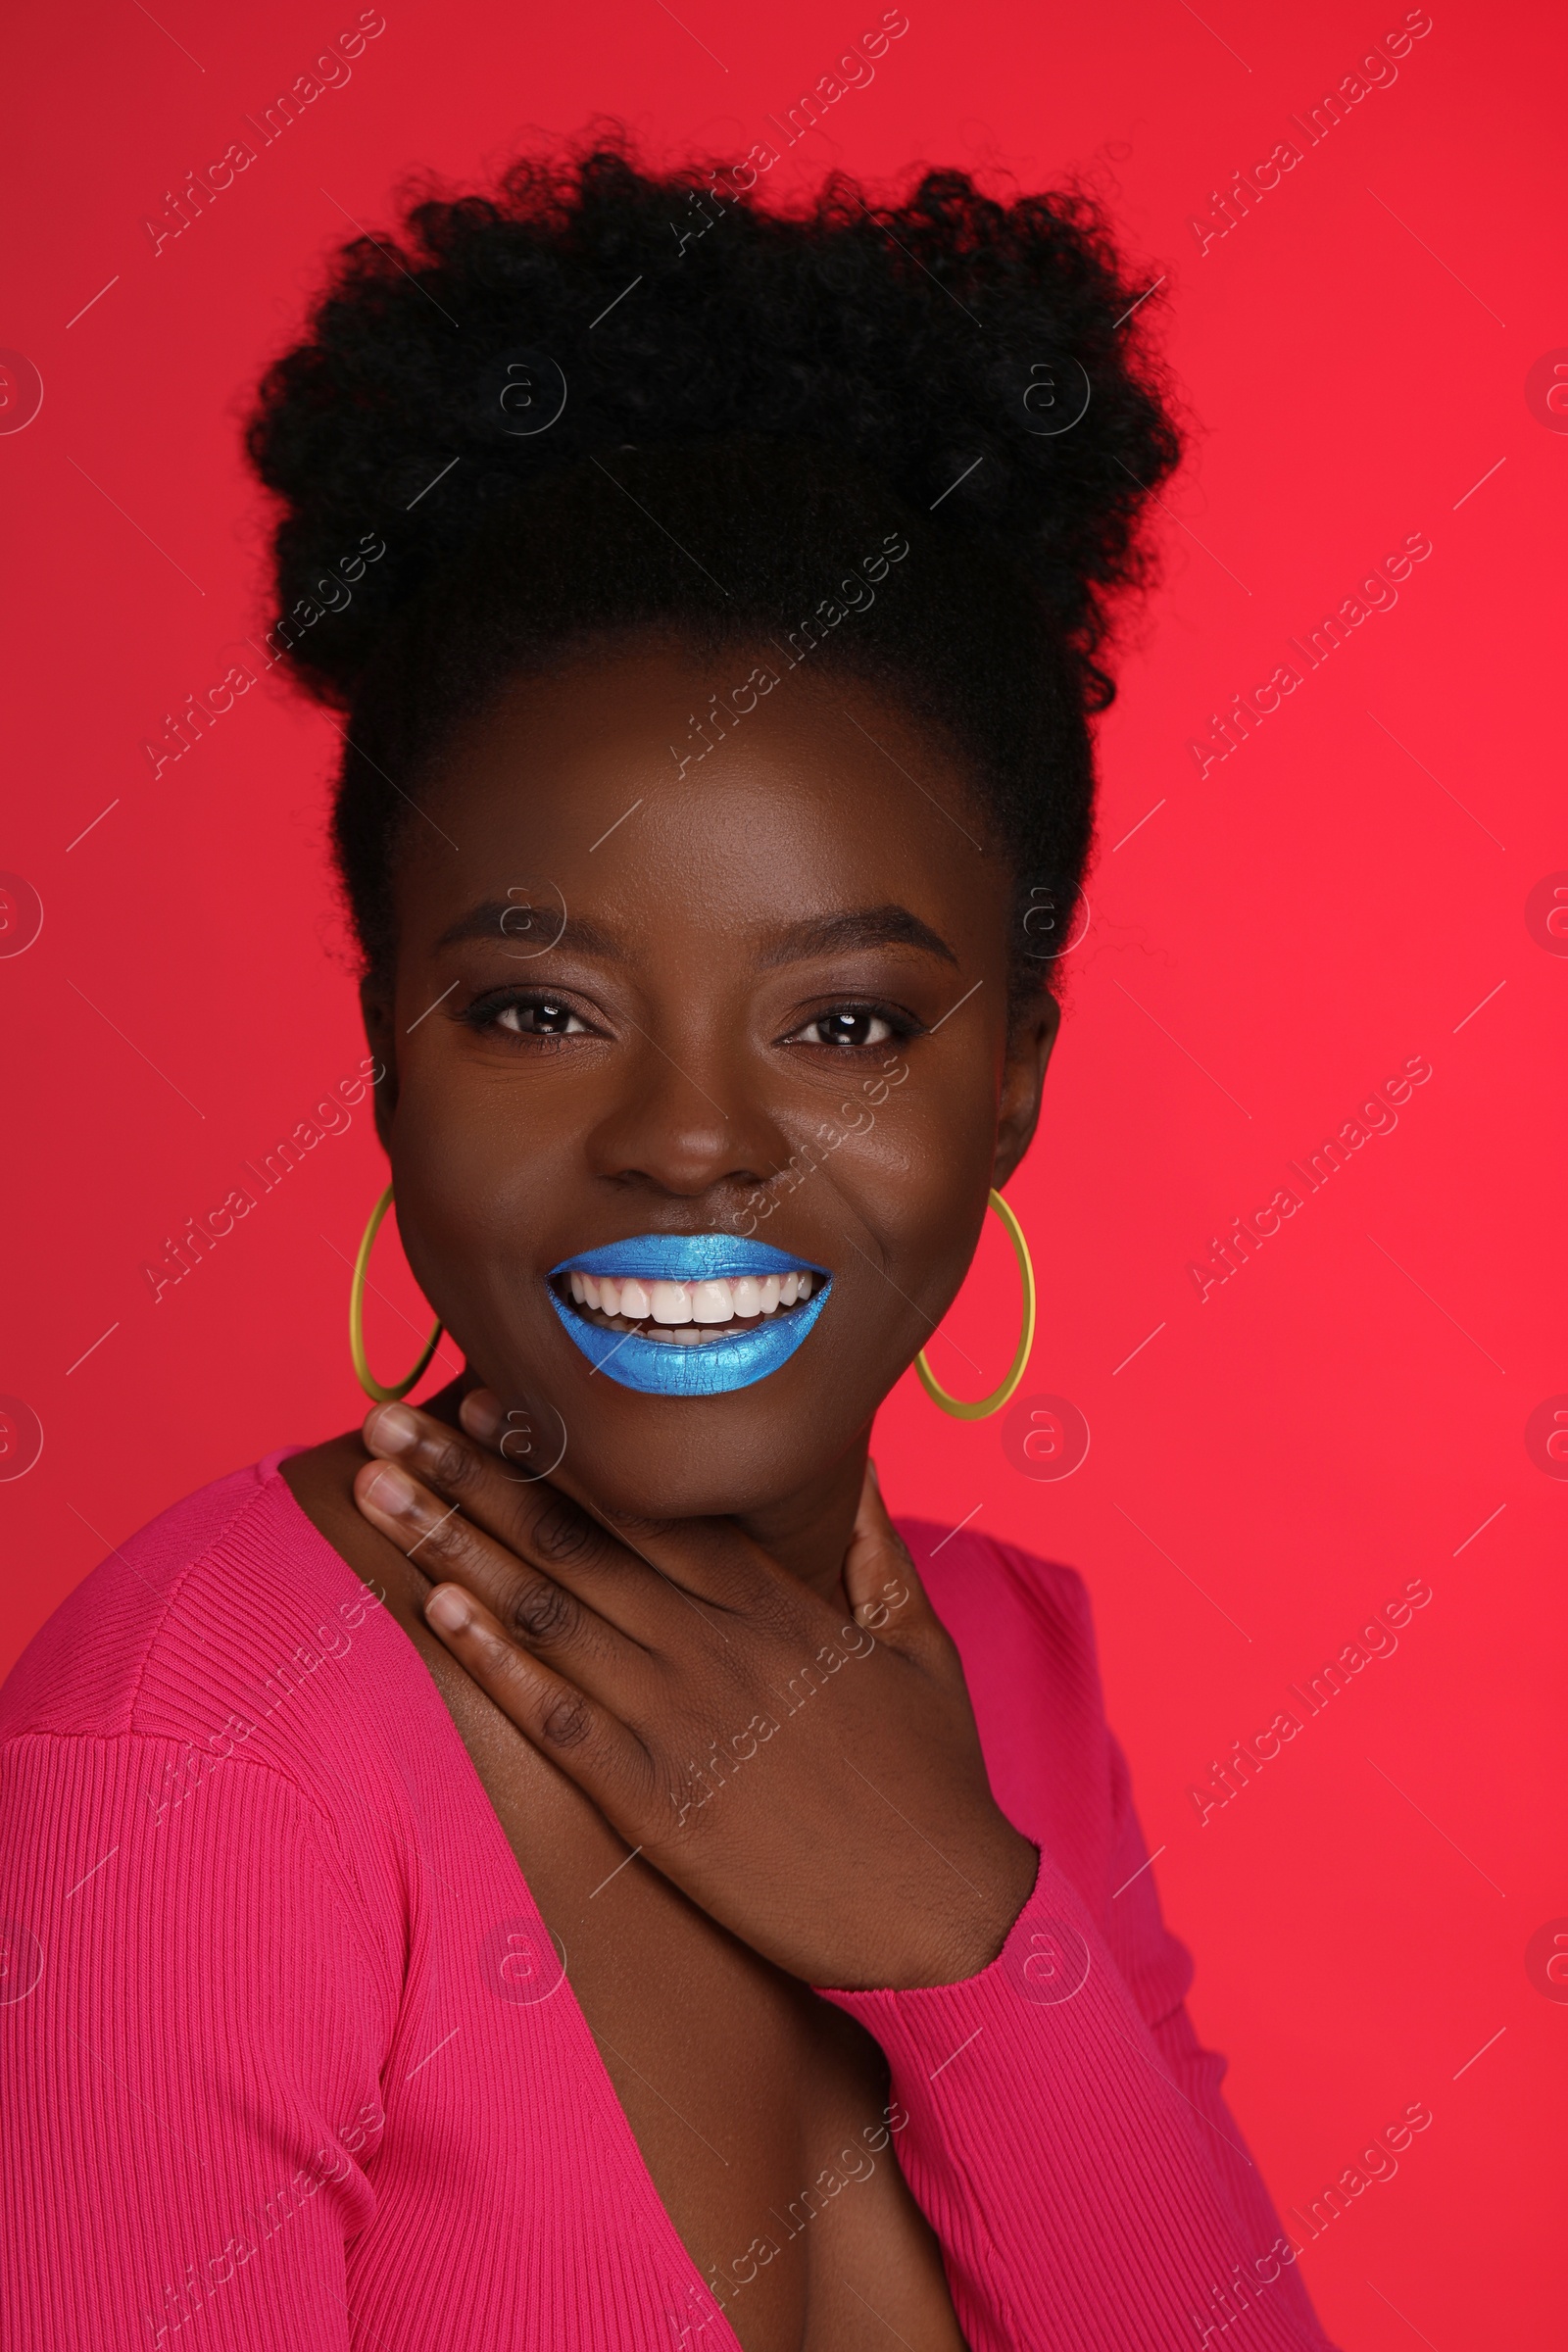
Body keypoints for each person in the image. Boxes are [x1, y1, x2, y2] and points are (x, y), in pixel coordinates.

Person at [0, 140, 1335, 2351]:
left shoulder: (1015, 1680)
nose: (690, 1138)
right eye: (538, 1008)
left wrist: (970, 1932)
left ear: (1009, 1071)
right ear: (388, 1051)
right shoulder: (193, 1772)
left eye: (840, 1021)